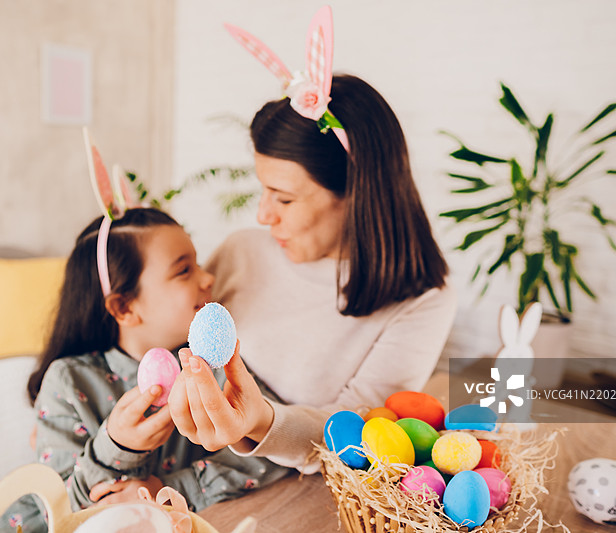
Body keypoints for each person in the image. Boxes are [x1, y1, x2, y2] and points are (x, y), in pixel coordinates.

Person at [168, 74, 457, 473]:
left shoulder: (420, 301)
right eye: (263, 190)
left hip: (290, 490)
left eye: (284, 198)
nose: (263, 215)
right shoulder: (242, 251)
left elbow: (360, 433)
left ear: (357, 192)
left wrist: (261, 422)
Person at [0, 208, 289, 532]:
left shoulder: (210, 370)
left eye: (198, 263)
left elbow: (276, 447)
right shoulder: (70, 381)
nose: (208, 278)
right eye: (184, 271)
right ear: (125, 307)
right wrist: (117, 447)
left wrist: (167, 491)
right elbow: (58, 508)